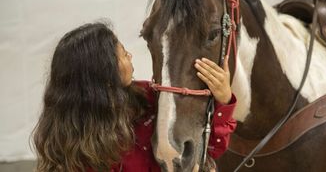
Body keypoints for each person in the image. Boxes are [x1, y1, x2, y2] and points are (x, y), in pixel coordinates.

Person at [32, 22, 237, 172]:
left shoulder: (149, 97)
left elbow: (209, 148)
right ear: (104, 72)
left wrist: (224, 99)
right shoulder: (77, 152)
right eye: (122, 53)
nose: (130, 55)